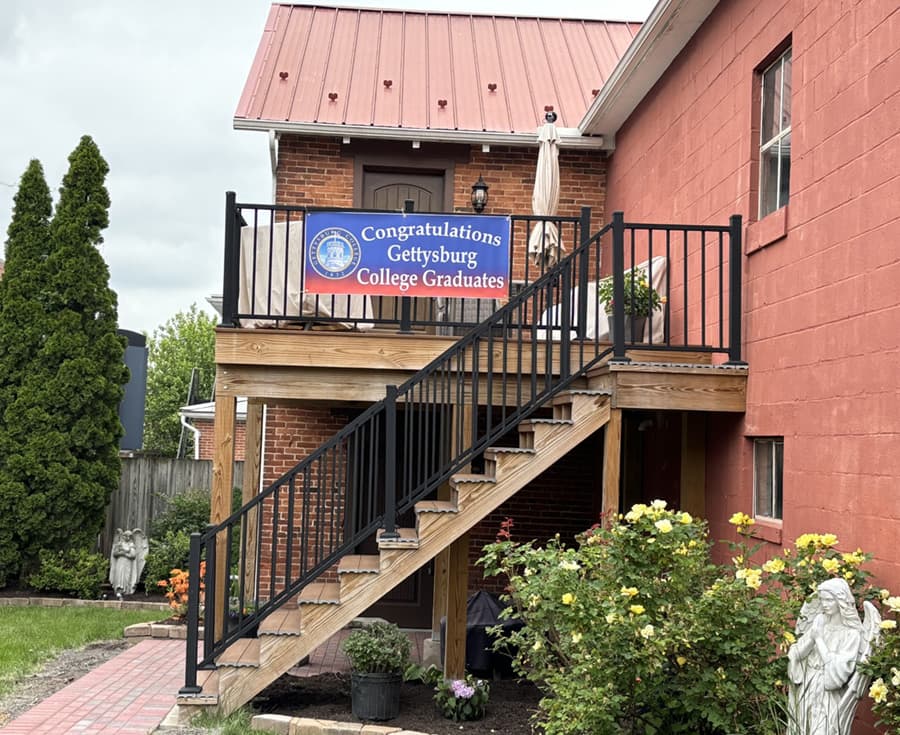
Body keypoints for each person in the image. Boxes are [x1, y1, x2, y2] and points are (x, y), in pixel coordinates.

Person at [786, 577, 877, 735]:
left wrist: (819, 639)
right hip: (807, 687)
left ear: (840, 601)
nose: (824, 604)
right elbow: (796, 654)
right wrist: (812, 638)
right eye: (822, 600)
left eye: (829, 600)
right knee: (801, 729)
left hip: (827, 695)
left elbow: (838, 672)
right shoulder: (820, 624)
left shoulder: (851, 635)